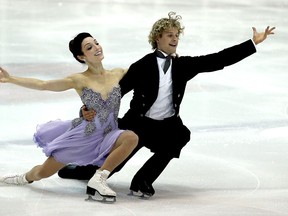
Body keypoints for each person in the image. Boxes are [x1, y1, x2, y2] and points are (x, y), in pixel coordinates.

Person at [58, 12, 275, 197]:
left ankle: (142, 181)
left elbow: (217, 59)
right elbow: (117, 93)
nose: (174, 39)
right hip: (138, 125)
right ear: (157, 38)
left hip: (166, 126)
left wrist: (252, 43)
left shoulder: (183, 65)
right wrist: (88, 110)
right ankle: (83, 171)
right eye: (169, 35)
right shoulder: (143, 65)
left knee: (180, 136)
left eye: (176, 35)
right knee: (113, 166)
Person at [0, 32, 138, 202]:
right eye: (89, 47)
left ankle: (99, 177)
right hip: (84, 137)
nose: (96, 48)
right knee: (43, 172)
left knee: (131, 138)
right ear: (81, 56)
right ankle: (22, 177)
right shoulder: (78, 79)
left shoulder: (117, 73)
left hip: (109, 134)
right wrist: (10, 78)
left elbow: (145, 67)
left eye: (96, 43)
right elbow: (43, 85)